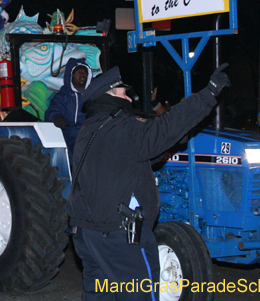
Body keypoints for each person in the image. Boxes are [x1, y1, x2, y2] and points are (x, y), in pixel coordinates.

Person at [68, 64, 230, 300]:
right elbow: (162, 129)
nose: (130, 99)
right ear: (109, 95)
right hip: (119, 235)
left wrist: (175, 138)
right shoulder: (123, 128)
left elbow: (139, 153)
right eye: (123, 92)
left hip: (85, 233)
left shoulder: (89, 129)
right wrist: (209, 94)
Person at [45, 58, 93, 156]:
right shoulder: (64, 96)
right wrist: (57, 117)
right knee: (76, 152)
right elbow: (54, 109)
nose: (82, 74)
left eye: (84, 71)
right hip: (71, 134)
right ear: (71, 76)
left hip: (92, 133)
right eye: (78, 72)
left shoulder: (94, 94)